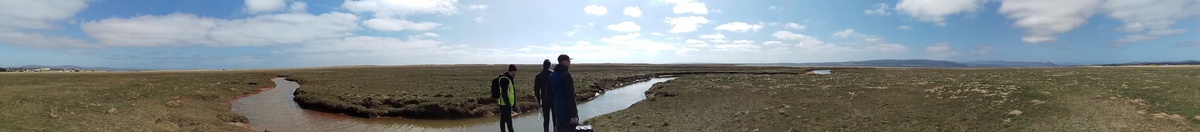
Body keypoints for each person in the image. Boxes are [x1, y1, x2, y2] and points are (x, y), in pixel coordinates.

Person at [549, 54, 579, 131]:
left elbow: (548, 93)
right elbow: (570, 96)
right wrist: (573, 115)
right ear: (563, 62)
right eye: (569, 61)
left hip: (557, 111)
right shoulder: (566, 75)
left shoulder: (552, 75)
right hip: (567, 113)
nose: (570, 63)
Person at [496, 64, 518, 132]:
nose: (515, 73)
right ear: (511, 71)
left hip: (505, 104)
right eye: (515, 72)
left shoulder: (509, 78)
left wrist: (513, 105)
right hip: (505, 104)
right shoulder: (505, 79)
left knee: (503, 120)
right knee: (509, 122)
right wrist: (508, 105)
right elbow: (504, 94)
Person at [534, 59, 555, 132]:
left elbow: (536, 91)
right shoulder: (554, 74)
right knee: (555, 119)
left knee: (546, 120)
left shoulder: (538, 76)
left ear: (543, 65)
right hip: (554, 99)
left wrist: (539, 102)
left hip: (545, 100)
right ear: (550, 65)